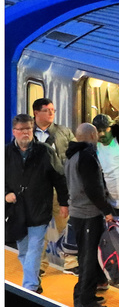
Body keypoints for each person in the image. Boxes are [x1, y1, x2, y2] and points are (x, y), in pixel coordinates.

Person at [6, 113, 67, 293]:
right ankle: (35, 281)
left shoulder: (45, 151)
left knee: (34, 249)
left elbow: (59, 178)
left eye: (28, 129)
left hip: (39, 209)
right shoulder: (6, 153)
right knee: (24, 252)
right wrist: (5, 194)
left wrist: (64, 202)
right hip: (16, 212)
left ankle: (30, 287)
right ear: (14, 132)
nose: (25, 133)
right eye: (21, 130)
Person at [64, 123, 117, 307]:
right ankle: (84, 301)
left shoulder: (72, 156)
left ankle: (88, 294)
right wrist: (107, 210)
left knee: (89, 256)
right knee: (87, 258)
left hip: (79, 212)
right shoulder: (87, 156)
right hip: (87, 214)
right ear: (93, 135)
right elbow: (92, 188)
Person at [34, 99, 76, 266]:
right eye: (47, 110)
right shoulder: (27, 133)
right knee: (38, 230)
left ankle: (71, 261)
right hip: (37, 190)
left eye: (53, 110)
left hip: (60, 189)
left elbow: (75, 156)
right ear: (36, 113)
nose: (51, 113)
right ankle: (39, 265)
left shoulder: (64, 132)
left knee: (65, 225)